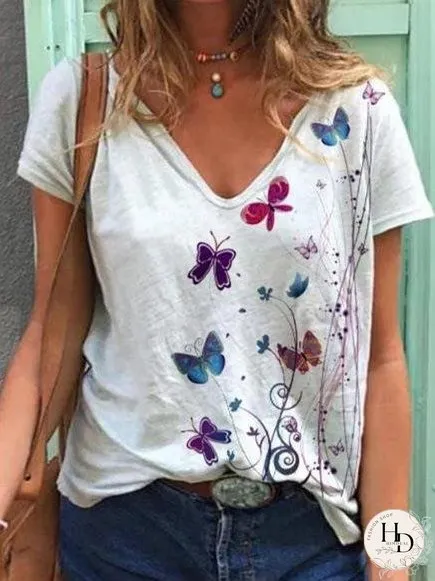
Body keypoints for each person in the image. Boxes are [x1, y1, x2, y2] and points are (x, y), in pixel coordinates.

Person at [1, 0, 433, 579]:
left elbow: (381, 359)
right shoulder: (84, 104)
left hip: (310, 542)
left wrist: (395, 562)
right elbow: (48, 336)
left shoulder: (358, 111)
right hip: (123, 538)